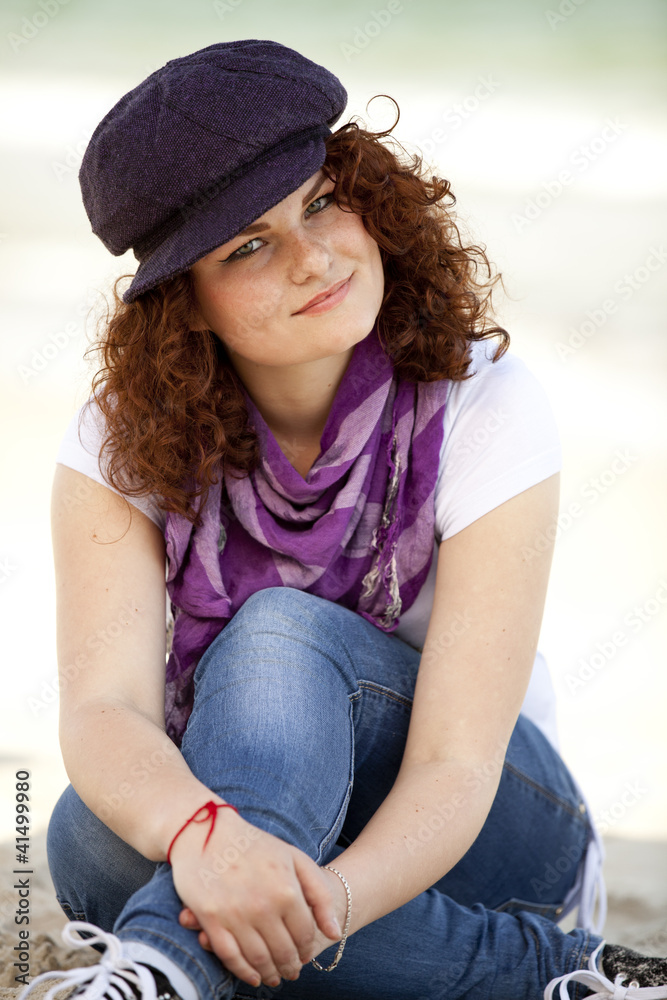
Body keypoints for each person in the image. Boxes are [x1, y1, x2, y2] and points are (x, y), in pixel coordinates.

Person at [20, 40, 667, 1000]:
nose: (314, 257)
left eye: (321, 201)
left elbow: (454, 764)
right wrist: (210, 845)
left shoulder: (481, 406)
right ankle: (549, 977)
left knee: (276, 632)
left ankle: (163, 963)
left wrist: (275, 904)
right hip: (251, 814)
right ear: (183, 304)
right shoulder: (118, 444)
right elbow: (105, 712)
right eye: (249, 246)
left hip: (487, 823)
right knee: (83, 834)